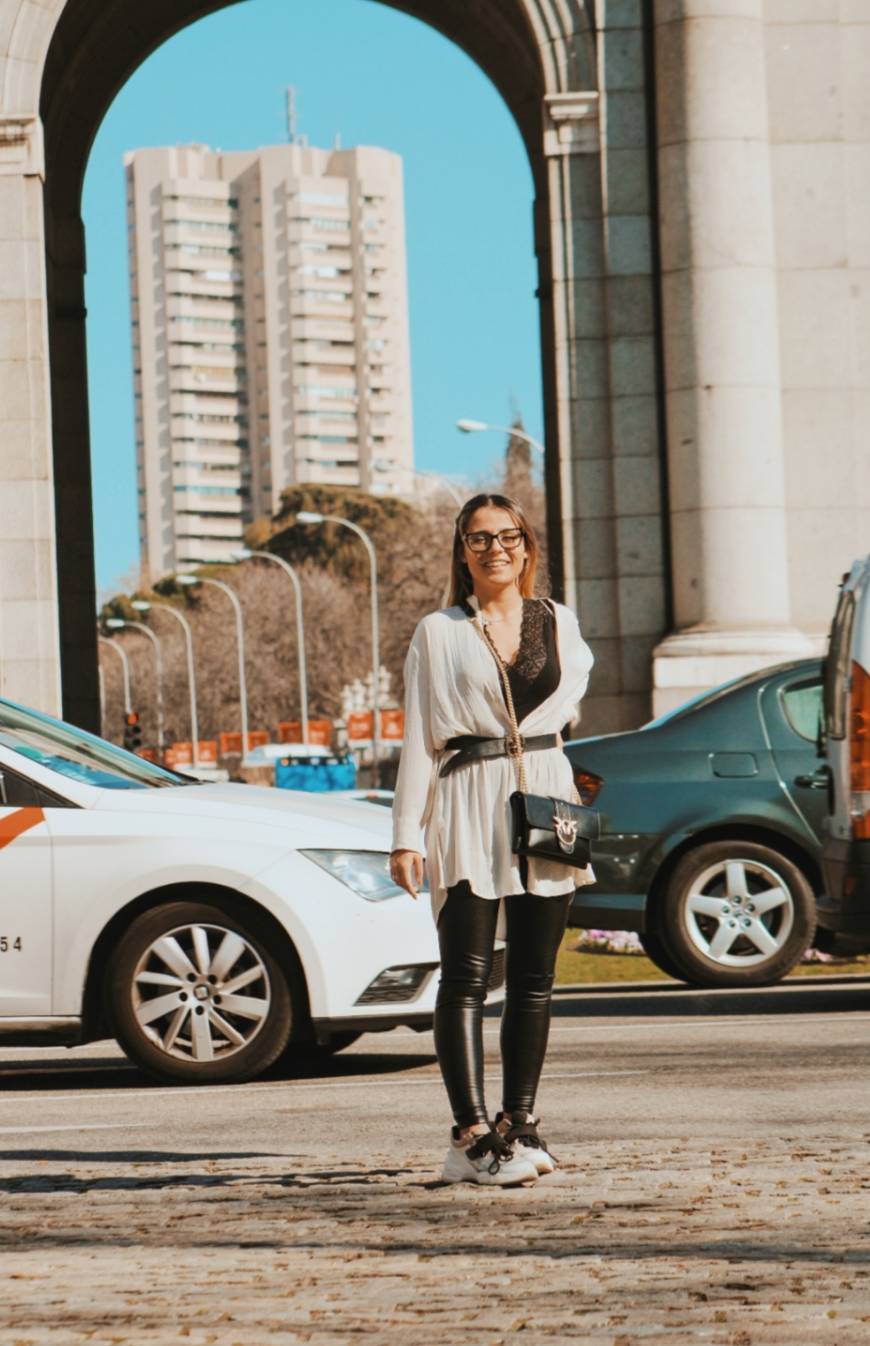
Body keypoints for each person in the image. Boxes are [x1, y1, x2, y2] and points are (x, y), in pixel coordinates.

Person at [389, 492, 595, 1186]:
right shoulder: (438, 632)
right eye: (479, 540)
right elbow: (419, 737)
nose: (495, 549)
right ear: (462, 552)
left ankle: (521, 1123)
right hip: (468, 796)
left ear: (527, 546)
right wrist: (405, 837)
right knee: (469, 976)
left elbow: (566, 713)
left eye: (507, 536)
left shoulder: (559, 621)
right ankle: (470, 1132)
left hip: (543, 793)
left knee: (536, 979)